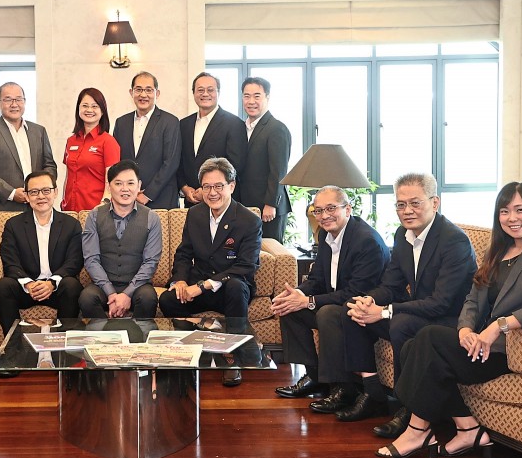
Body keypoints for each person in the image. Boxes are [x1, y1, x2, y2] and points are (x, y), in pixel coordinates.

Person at [377, 182, 522, 458]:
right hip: (478, 345)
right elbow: (472, 299)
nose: (512, 218)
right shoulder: (497, 252)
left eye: (520, 210)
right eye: (504, 211)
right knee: (414, 346)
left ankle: (418, 431)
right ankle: (468, 428)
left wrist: (499, 325)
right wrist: (465, 328)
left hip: (506, 351)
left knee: (428, 338)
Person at [335, 173, 476, 438]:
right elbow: (392, 285)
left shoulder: (453, 241)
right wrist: (371, 301)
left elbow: (441, 302)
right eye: (401, 204)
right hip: (420, 311)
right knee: (352, 308)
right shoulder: (403, 235)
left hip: (449, 320)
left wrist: (386, 311)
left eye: (415, 203)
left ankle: (407, 407)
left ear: (435, 203)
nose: (407, 211)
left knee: (401, 323)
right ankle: (372, 391)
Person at [272, 186, 389, 399]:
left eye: (331, 208)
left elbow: (356, 292)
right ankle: (314, 377)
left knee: (327, 314)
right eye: (318, 210)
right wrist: (296, 294)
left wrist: (308, 301)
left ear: (347, 209)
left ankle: (341, 387)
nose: (324, 216)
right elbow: (316, 279)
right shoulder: (327, 235)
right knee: (289, 308)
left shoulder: (366, 241)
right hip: (338, 302)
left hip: (361, 309)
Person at [158, 157, 261, 387]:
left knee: (235, 286)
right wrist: (181, 281)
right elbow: (184, 253)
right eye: (206, 187)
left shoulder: (249, 220)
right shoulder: (195, 214)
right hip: (198, 285)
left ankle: (231, 358)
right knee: (167, 299)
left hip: (231, 289)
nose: (212, 193)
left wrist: (203, 285)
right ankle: (189, 352)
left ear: (231, 186)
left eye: (218, 186)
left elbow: (246, 266)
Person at [0, 170, 84, 341]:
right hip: (26, 289)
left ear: (55, 192)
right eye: (34, 192)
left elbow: (75, 260)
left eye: (46, 190)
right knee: (3, 286)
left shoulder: (71, 224)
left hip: (57, 289)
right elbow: (9, 259)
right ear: (27, 196)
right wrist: (28, 284)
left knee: (72, 285)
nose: (40, 196)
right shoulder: (13, 225)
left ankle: (61, 348)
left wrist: (52, 283)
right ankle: (14, 347)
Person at [79, 160, 162, 320]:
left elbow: (151, 262)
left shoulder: (151, 218)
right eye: (118, 183)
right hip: (103, 284)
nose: (125, 189)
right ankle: (104, 342)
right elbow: (91, 259)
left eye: (130, 183)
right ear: (109, 186)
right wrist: (111, 293)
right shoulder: (94, 215)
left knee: (148, 298)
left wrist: (126, 294)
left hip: (138, 285)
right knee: (87, 298)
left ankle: (137, 342)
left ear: (139, 186)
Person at [0, 81, 57, 224]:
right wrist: (12, 193)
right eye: (8, 99)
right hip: (0, 210)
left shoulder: (39, 131)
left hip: (36, 209)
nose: (14, 104)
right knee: (0, 247)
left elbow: (49, 165)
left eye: (19, 99)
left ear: (24, 102)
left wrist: (40, 191)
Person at [112, 71, 181, 209]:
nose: (143, 95)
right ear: (131, 92)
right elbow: (117, 163)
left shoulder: (170, 122)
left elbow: (171, 163)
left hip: (161, 200)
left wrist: (148, 194)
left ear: (157, 93)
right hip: (128, 200)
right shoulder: (121, 123)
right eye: (138, 90)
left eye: (149, 90)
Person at [177, 72, 245, 208]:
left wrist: (207, 189)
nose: (205, 94)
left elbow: (236, 164)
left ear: (218, 93)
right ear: (194, 93)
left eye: (210, 90)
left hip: (221, 199)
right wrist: (184, 187)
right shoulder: (183, 124)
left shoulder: (234, 124)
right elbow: (178, 160)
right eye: (200, 90)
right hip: (191, 200)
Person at [237, 76, 293, 241]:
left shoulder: (276, 129)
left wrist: (271, 203)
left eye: (257, 96)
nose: (251, 101)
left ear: (267, 97)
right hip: (246, 206)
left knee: (270, 256)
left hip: (268, 209)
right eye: (247, 96)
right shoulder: (241, 128)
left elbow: (279, 171)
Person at [60, 87, 120, 211]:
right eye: (85, 106)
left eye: (94, 106)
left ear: (102, 111)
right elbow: (68, 176)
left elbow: (112, 180)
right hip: (69, 209)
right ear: (78, 109)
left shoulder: (108, 141)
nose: (89, 110)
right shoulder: (71, 141)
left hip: (95, 209)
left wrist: (104, 204)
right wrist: (63, 203)